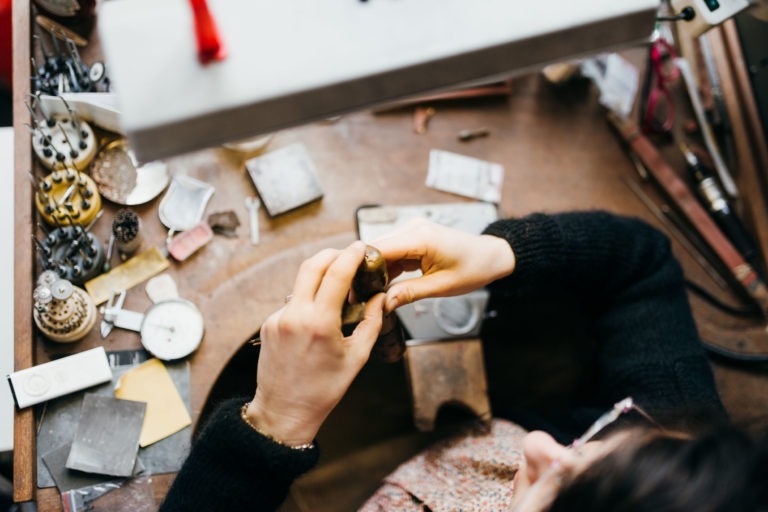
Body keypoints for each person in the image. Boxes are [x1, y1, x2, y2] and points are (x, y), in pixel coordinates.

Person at [159, 211, 767, 512]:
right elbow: (642, 263)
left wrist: (273, 426)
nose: (542, 446)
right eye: (595, 445)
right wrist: (503, 254)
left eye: (562, 486)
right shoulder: (675, 467)